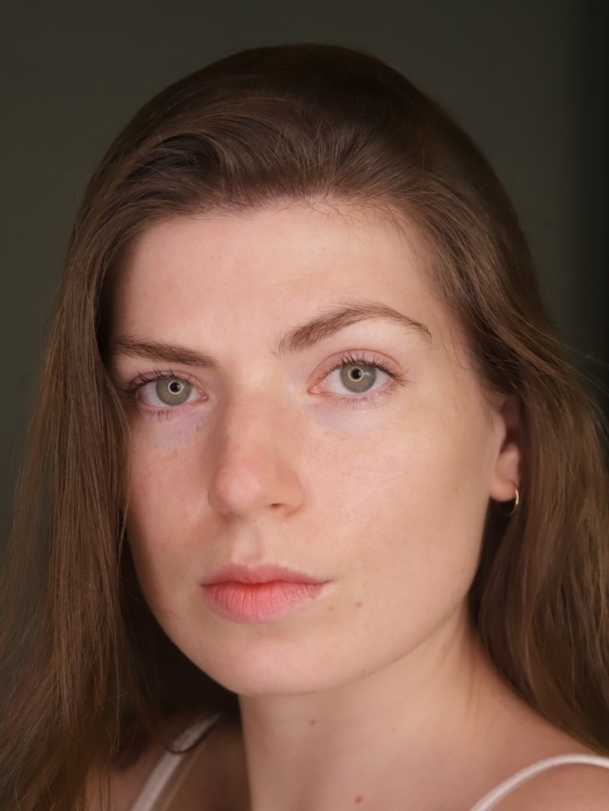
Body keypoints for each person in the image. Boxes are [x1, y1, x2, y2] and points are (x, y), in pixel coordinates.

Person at [1, 44, 608, 811]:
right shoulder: (99, 791)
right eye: (170, 387)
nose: (241, 482)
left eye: (355, 374)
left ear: (509, 442)